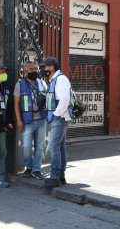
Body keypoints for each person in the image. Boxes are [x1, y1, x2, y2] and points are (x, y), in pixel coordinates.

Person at [39, 57, 73, 189]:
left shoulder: (61, 79)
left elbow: (64, 99)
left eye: (44, 67)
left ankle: (54, 177)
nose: (43, 70)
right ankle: (61, 176)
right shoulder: (54, 80)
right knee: (60, 146)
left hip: (60, 117)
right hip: (59, 116)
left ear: (51, 67)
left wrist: (55, 115)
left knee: (53, 146)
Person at [14, 61, 47, 180]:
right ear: (25, 72)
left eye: (35, 69)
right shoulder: (20, 85)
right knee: (26, 146)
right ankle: (28, 167)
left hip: (41, 120)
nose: (34, 71)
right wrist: (19, 120)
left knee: (39, 146)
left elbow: (48, 98)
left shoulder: (42, 83)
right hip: (27, 121)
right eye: (31, 69)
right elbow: (16, 104)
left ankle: (37, 169)